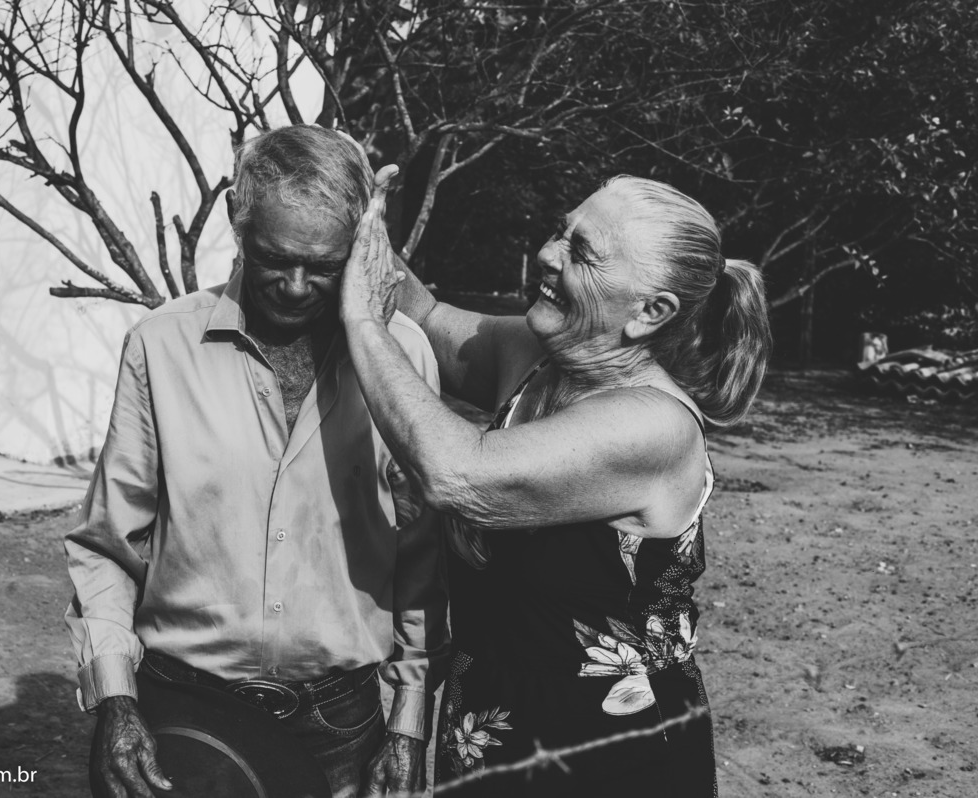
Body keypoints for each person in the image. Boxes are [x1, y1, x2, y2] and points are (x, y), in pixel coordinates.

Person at [338, 168, 772, 796]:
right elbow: (426, 311)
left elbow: (456, 472)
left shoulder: (653, 426)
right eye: (559, 232)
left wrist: (362, 323)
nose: (547, 254)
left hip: (606, 756)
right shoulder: (534, 358)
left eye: (581, 253)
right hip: (491, 729)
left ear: (649, 312)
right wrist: (357, 214)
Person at [64, 126, 449, 798]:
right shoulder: (160, 347)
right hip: (180, 710)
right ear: (239, 228)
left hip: (340, 728)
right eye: (273, 259)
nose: (297, 286)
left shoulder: (404, 357)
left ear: (359, 246)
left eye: (324, 266)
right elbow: (106, 546)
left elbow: (421, 557)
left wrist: (408, 725)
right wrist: (116, 702)